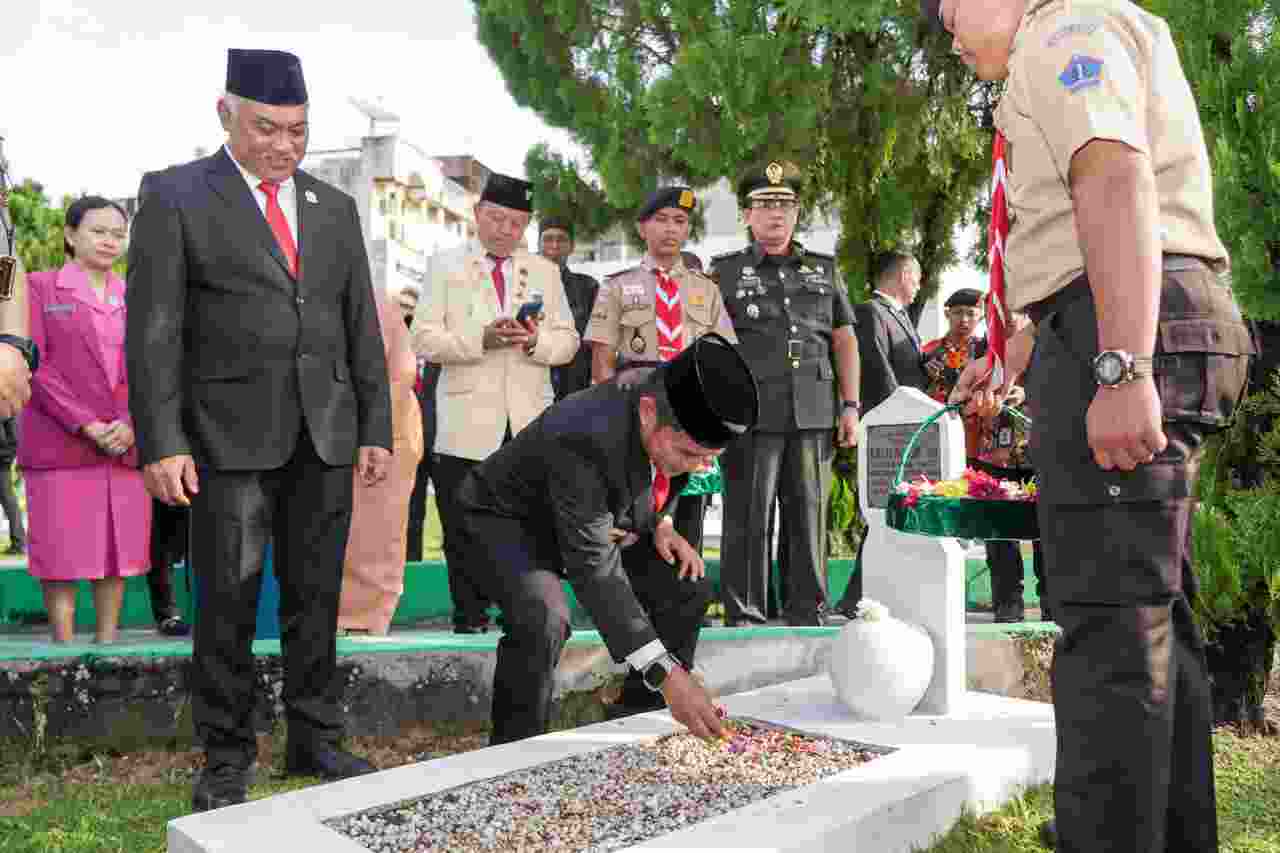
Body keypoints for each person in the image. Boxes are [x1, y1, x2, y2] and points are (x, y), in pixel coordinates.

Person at [928, 1, 1255, 850]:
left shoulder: (1063, 29)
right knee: (1149, 620)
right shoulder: (1068, 37)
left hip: (1129, 330)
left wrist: (1121, 366)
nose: (948, 34)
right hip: (1123, 317)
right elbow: (1075, 232)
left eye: (949, 9)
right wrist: (1019, 348)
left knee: (1109, 636)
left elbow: (1112, 176)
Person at [126, 49, 393, 812]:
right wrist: (162, 439)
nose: (284, 145)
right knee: (228, 599)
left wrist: (374, 423)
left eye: (299, 131)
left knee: (316, 595)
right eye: (267, 127)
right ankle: (226, 754)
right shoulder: (176, 196)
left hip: (325, 436)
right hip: (223, 439)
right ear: (225, 115)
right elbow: (153, 330)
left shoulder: (333, 208)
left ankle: (314, 735)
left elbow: (359, 329)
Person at [454, 332, 757, 744]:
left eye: (708, 459)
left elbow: (662, 472)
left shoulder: (670, 396)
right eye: (690, 455)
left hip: (592, 522)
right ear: (649, 414)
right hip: (508, 519)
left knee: (686, 585)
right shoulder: (584, 436)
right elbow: (594, 568)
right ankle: (513, 750)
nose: (698, 467)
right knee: (543, 619)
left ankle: (638, 718)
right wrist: (669, 673)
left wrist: (662, 525)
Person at [584, 186, 736, 712]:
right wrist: (607, 422)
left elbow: (720, 361)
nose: (672, 230)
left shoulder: (705, 290)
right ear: (643, 227)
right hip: (640, 428)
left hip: (690, 436)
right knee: (634, 549)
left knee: (683, 555)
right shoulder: (618, 287)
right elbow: (602, 363)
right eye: (662, 220)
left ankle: (679, 667)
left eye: (680, 221)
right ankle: (641, 673)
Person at [412, 173, 579, 634]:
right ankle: (469, 616)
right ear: (477, 214)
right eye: (496, 218)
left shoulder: (544, 271)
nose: (506, 230)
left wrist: (533, 343)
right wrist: (480, 339)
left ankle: (524, 615)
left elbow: (568, 341)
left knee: (528, 524)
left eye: (516, 222)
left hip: (528, 419)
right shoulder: (445, 264)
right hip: (466, 418)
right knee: (462, 523)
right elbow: (422, 337)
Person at [711, 161, 860, 627]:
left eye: (785, 205)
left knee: (809, 517)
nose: (776, 214)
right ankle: (746, 615)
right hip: (750, 415)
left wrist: (851, 407)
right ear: (747, 216)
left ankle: (808, 609)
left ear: (797, 214)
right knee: (749, 517)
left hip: (814, 412)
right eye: (764, 205)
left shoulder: (823, 269)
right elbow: (711, 347)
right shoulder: (726, 272)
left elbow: (844, 340)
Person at [21, 196, 151, 644]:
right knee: (61, 548)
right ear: (70, 235)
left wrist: (132, 421)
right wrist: (86, 424)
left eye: (118, 233)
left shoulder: (134, 293)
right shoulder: (39, 286)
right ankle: (63, 644)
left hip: (124, 441)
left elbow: (151, 366)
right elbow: (34, 363)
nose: (110, 241)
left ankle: (108, 641)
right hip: (61, 439)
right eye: (98, 231)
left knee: (117, 549)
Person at [831, 251, 928, 618]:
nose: (919, 286)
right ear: (903, 274)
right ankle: (854, 597)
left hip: (908, 426)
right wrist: (905, 416)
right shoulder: (872, 312)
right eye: (916, 277)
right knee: (884, 515)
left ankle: (867, 595)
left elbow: (907, 370)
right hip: (889, 430)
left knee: (898, 515)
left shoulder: (901, 317)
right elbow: (877, 371)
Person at [338, 290, 424, 635]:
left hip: (385, 428)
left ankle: (364, 621)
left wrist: (371, 433)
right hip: (326, 432)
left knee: (374, 532)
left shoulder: (373, 302)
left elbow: (400, 373)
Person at [538, 218, 599, 400]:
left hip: (576, 388)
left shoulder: (588, 287)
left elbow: (598, 342)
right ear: (539, 245)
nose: (554, 245)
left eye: (561, 239)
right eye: (548, 239)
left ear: (571, 247)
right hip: (533, 388)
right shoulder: (520, 284)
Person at [147, 500, 192, 635]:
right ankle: (167, 616)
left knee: (204, 542)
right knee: (161, 541)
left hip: (206, 483)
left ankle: (207, 614)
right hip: (161, 488)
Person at [0, 417, 23, 554]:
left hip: (1, 464)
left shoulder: (5, 406)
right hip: (3, 461)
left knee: (9, 503)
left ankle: (19, 543)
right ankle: (19, 542)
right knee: (10, 502)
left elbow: (14, 438)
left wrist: (5, 458)